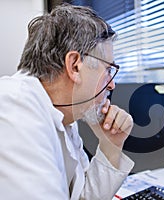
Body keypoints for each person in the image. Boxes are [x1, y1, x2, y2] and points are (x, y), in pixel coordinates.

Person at [0, 3, 134, 200]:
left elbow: (83, 197)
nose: (112, 85)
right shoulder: (14, 106)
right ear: (74, 66)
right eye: (108, 70)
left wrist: (111, 145)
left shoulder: (62, 117)